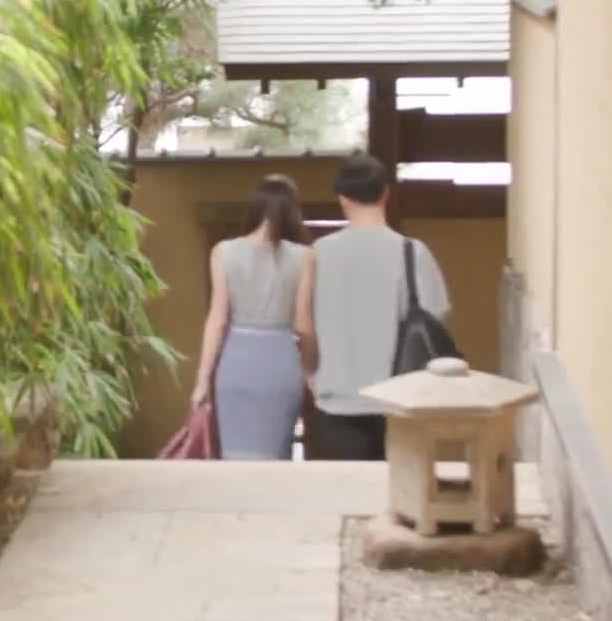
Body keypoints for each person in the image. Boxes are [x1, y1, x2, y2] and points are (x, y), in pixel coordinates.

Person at [303, 154, 453, 461]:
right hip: (400, 400)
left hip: (336, 398)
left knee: (348, 487)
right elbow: (434, 319)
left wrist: (311, 376)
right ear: (386, 193)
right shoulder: (412, 252)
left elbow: (303, 323)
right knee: (401, 485)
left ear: (342, 198)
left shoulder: (318, 253)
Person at [190, 174, 317, 460]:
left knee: (234, 458)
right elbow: (302, 325)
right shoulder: (305, 256)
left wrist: (202, 380)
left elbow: (217, 320)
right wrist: (311, 370)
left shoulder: (223, 251)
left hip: (235, 366)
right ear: (292, 210)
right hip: (281, 366)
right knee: (274, 456)